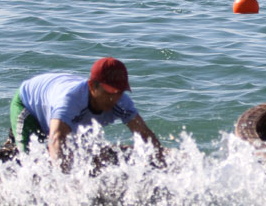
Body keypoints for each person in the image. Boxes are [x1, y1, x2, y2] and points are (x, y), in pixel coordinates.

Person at [10, 57, 162, 163]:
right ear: (92, 86)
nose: (114, 99)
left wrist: (163, 166)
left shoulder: (122, 102)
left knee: (89, 159)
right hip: (29, 105)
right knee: (30, 162)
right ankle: (14, 143)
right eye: (109, 93)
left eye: (119, 92)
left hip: (63, 112)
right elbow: (56, 139)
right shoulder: (70, 101)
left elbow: (146, 136)